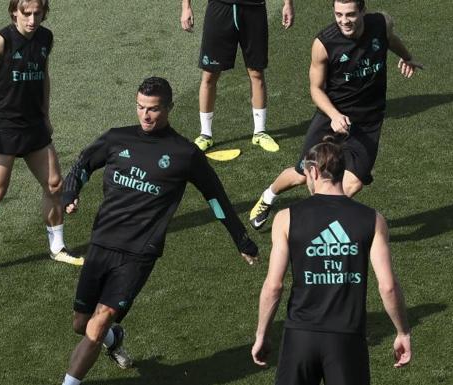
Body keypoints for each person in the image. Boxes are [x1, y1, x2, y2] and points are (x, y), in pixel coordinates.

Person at [58, 77, 259, 385]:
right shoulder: (117, 139)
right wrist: (71, 193)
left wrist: (241, 239)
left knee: (95, 328)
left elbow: (216, 198)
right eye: (140, 107)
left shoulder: (184, 154)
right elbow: (82, 165)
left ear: (169, 108)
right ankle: (116, 338)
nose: (145, 116)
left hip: (138, 255)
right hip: (101, 244)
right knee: (81, 324)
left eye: (152, 109)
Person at [249, 0, 423, 230]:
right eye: (338, 14)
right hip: (330, 117)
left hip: (368, 121)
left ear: (363, 11)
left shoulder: (381, 23)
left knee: (352, 185)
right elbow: (315, 88)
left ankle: (312, 222)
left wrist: (407, 56)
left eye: (350, 14)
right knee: (303, 175)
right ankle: (269, 196)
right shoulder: (325, 43)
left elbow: (390, 38)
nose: (344, 21)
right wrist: (333, 115)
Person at [251, 138, 411, 385]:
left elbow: (274, 286)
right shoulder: (371, 219)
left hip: (300, 337)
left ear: (314, 171)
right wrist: (402, 331)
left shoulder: (286, 218)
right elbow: (388, 286)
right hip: (347, 339)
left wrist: (262, 333)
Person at [0, 0, 82, 283]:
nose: (31, 20)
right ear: (14, 12)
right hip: (6, 127)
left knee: (54, 184)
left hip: (35, 126)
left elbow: (44, 77)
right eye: (26, 14)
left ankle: (57, 247)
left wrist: (46, 114)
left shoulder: (45, 38)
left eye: (37, 14)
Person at [180, 0, 295, 152]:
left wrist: (288, 4)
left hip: (254, 9)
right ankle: (205, 134)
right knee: (209, 75)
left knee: (256, 72)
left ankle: (260, 132)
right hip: (220, 7)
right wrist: (186, 7)